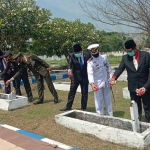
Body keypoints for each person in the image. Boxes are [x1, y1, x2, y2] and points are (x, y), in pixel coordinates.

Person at [110, 39, 150, 122]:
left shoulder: (146, 55)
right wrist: (114, 77)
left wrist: (145, 87)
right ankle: (137, 124)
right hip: (133, 86)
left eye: (130, 51)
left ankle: (148, 125)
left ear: (135, 48)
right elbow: (120, 68)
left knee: (147, 107)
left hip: (145, 85)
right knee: (136, 107)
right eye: (127, 51)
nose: (129, 52)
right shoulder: (125, 58)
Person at [60, 43, 91, 111]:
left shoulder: (88, 54)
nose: (76, 54)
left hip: (85, 77)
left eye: (78, 52)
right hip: (75, 77)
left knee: (84, 93)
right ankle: (68, 106)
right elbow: (70, 64)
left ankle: (83, 108)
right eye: (75, 52)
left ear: (81, 51)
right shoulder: (72, 55)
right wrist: (69, 70)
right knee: (72, 92)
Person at [87, 44, 113, 116]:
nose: (95, 55)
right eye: (93, 53)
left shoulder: (104, 57)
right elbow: (90, 74)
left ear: (98, 50)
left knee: (108, 99)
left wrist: (111, 78)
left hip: (106, 82)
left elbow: (109, 68)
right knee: (98, 100)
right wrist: (92, 84)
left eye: (96, 52)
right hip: (97, 84)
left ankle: (110, 115)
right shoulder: (90, 62)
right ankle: (100, 115)